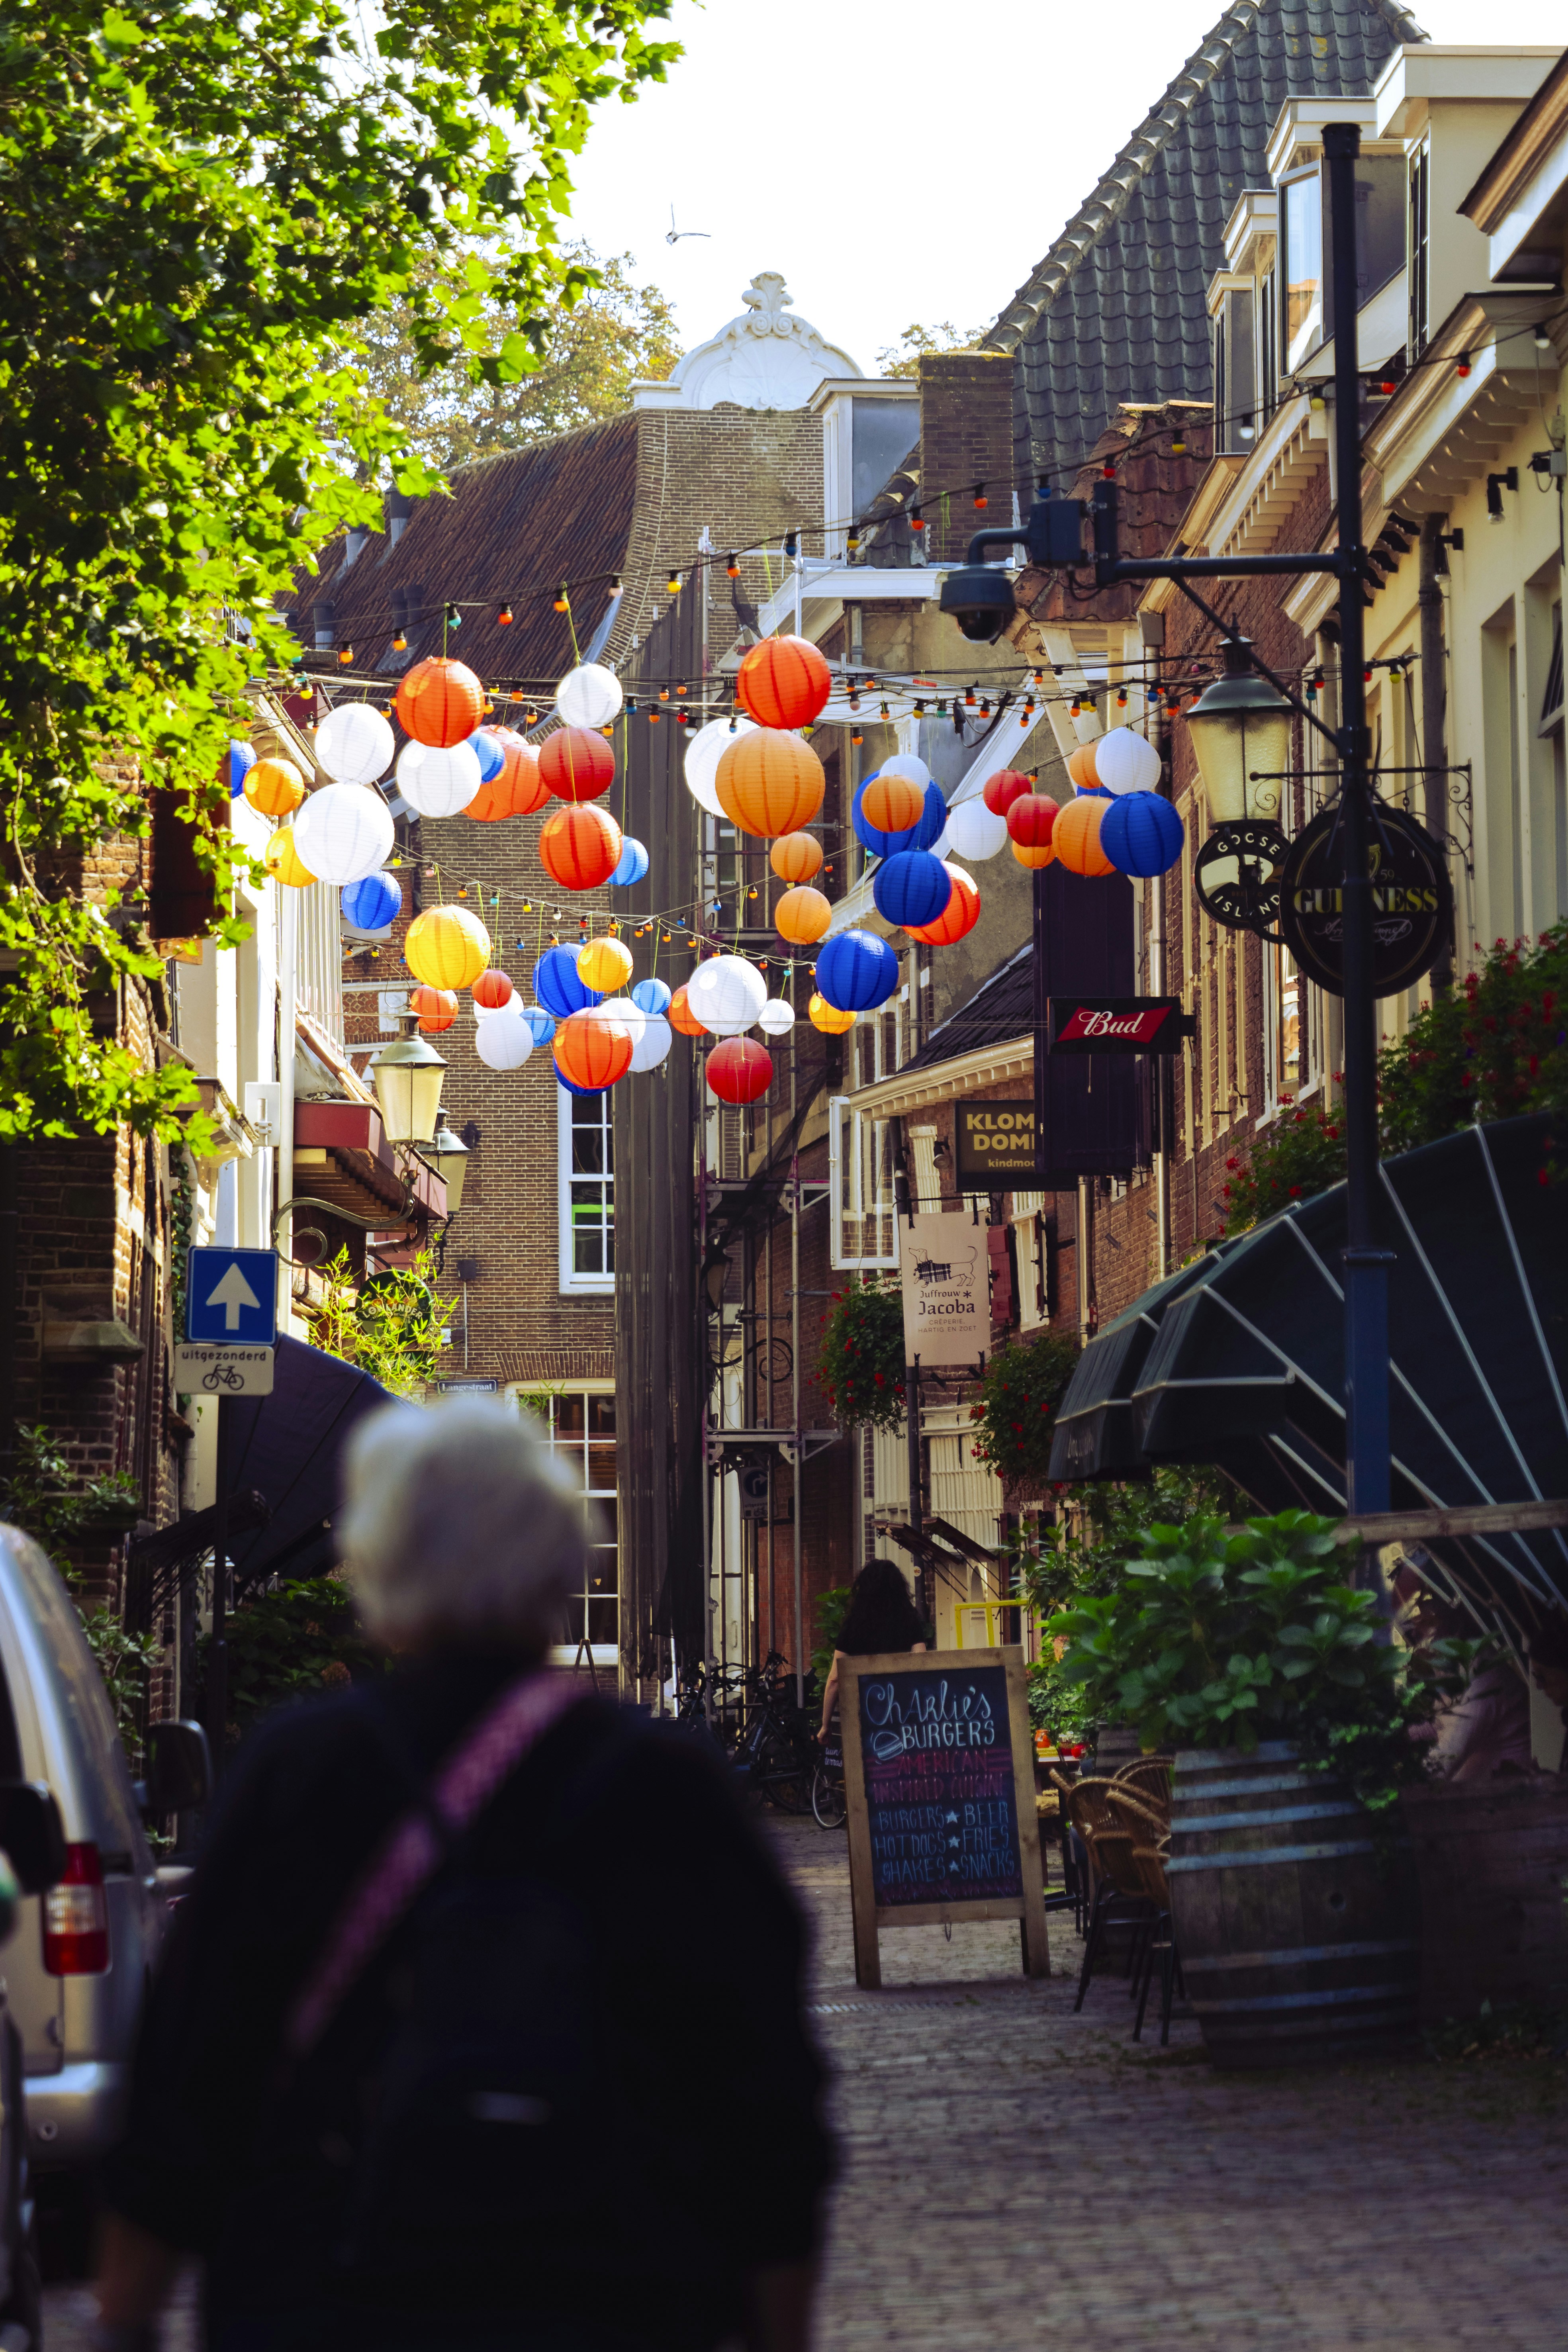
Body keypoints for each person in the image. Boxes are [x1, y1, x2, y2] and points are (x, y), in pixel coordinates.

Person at [94, 1398, 832, 2352]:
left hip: (329, 2291)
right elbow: (765, 2111)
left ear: (379, 1566)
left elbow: (192, 2075)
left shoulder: (303, 1771)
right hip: (612, 2296)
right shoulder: (668, 1786)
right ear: (564, 1565)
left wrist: (125, 2320)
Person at [817, 1559, 927, 1745]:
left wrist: (825, 1726)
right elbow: (921, 1662)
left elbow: (835, 1679)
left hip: (864, 1715)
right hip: (904, 1714)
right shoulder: (910, 1621)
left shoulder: (853, 1626)